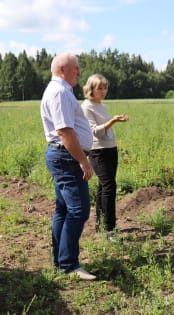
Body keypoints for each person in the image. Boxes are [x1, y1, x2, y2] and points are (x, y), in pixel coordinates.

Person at [40, 53, 96, 280]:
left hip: (63, 156)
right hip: (67, 158)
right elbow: (64, 131)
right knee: (79, 210)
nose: (80, 72)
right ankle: (68, 264)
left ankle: (61, 259)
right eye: (77, 68)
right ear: (63, 69)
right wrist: (83, 160)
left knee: (64, 209)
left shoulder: (61, 91)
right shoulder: (60, 92)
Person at [81, 74, 128, 240]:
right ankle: (109, 229)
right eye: (100, 88)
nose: (103, 91)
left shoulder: (100, 105)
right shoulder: (86, 107)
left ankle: (100, 224)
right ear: (90, 89)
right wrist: (113, 121)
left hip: (110, 148)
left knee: (103, 186)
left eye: (105, 87)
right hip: (97, 150)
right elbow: (96, 132)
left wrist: (114, 121)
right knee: (109, 186)